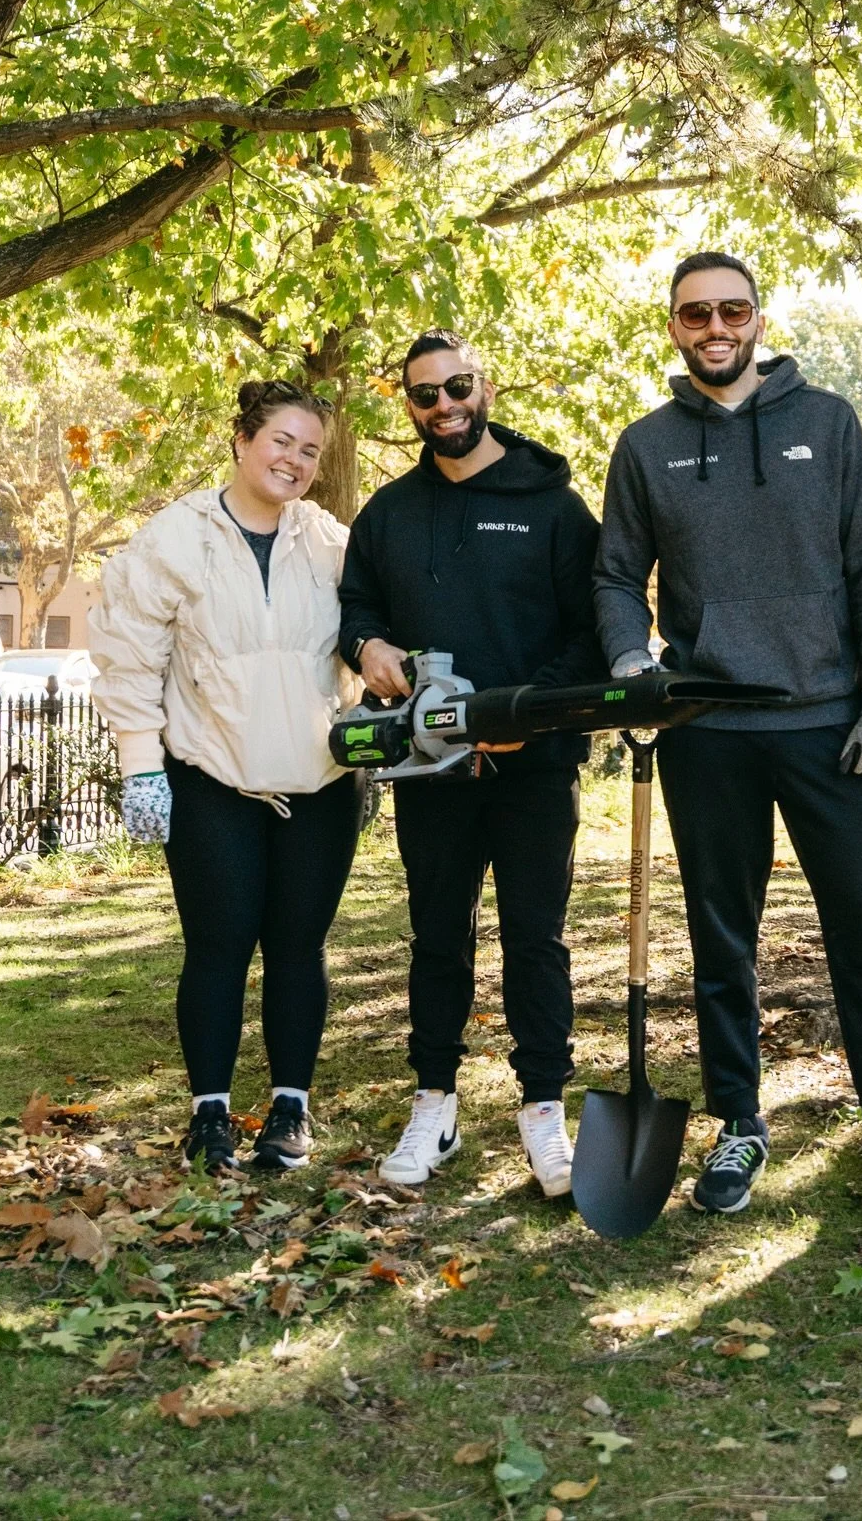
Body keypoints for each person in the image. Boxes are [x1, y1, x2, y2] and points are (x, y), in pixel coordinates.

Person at [594, 251, 862, 1223]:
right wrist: (631, 660)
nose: (715, 325)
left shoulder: (827, 423)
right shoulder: (647, 444)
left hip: (833, 728)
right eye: (696, 312)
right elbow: (615, 574)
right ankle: (738, 1122)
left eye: (731, 308)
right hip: (709, 727)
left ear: (757, 317)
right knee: (722, 945)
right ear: (674, 326)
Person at [338, 331, 603, 1198]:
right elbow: (354, 608)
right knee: (437, 940)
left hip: (533, 769)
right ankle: (436, 1102)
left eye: (457, 387)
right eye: (425, 395)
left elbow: (591, 626)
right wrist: (367, 642)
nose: (444, 406)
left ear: (483, 386)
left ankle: (543, 1110)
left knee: (537, 940)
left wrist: (529, 714)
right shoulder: (387, 512)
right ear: (408, 406)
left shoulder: (554, 505)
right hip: (432, 770)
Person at [89, 380, 363, 1174]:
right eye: (282, 440)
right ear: (242, 439)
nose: (296, 460)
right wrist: (143, 766)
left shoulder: (329, 541)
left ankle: (290, 1110)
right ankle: (210, 1115)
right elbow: (129, 655)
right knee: (217, 944)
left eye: (311, 450)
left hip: (319, 782)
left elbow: (371, 627)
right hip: (212, 782)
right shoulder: (177, 538)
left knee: (298, 945)